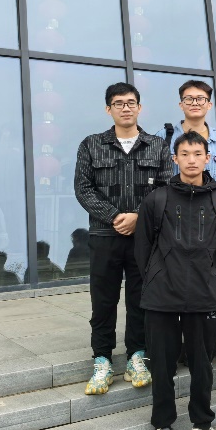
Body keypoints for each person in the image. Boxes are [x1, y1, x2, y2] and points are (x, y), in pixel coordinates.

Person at [135, 131, 216, 430]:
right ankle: (163, 427)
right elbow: (143, 248)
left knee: (202, 367)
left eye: (197, 154)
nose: (191, 160)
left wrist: (211, 276)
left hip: (204, 296)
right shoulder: (157, 199)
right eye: (185, 154)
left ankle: (201, 428)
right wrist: (157, 276)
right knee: (162, 366)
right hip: (161, 297)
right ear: (175, 159)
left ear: (208, 158)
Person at [74, 82, 173, 396]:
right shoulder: (91, 144)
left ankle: (136, 357)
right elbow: (83, 188)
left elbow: (166, 188)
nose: (125, 108)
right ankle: (102, 359)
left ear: (140, 108)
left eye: (131, 102)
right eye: (118, 103)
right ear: (109, 109)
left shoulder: (157, 146)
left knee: (140, 298)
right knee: (103, 300)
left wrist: (139, 217)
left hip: (144, 238)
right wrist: (116, 216)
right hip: (105, 235)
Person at [157, 80, 216, 205]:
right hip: (173, 210)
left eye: (200, 99)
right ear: (181, 105)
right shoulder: (164, 137)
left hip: (213, 211)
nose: (195, 103)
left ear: (209, 105)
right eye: (189, 99)